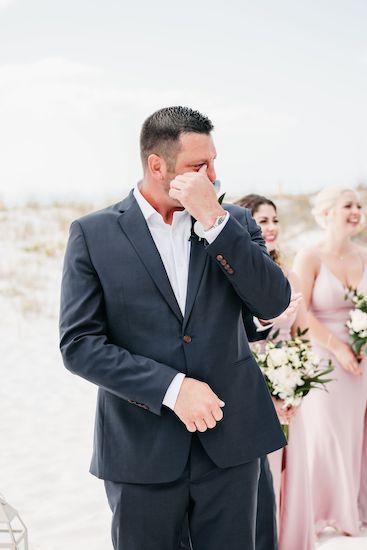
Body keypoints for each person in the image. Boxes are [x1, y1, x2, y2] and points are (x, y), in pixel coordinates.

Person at [59, 106, 291, 550]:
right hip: (141, 448)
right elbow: (80, 344)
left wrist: (215, 223)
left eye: (214, 163)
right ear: (157, 165)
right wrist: (171, 388)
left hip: (232, 445)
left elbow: (272, 302)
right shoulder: (93, 234)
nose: (212, 176)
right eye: (198, 166)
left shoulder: (236, 225)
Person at [237, 194, 315, 550]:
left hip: (287, 378)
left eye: (274, 220)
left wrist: (297, 385)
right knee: (256, 477)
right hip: (247, 381)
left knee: (289, 467)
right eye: (260, 221)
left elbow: (301, 336)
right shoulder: (235, 271)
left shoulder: (289, 274)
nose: (269, 228)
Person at [293, 186, 367, 536]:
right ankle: (327, 509)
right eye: (347, 205)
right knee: (328, 433)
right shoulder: (310, 256)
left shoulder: (364, 255)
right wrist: (337, 347)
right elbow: (300, 312)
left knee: (359, 432)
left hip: (363, 358)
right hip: (325, 356)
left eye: (359, 206)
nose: (355, 211)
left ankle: (356, 507)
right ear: (326, 214)